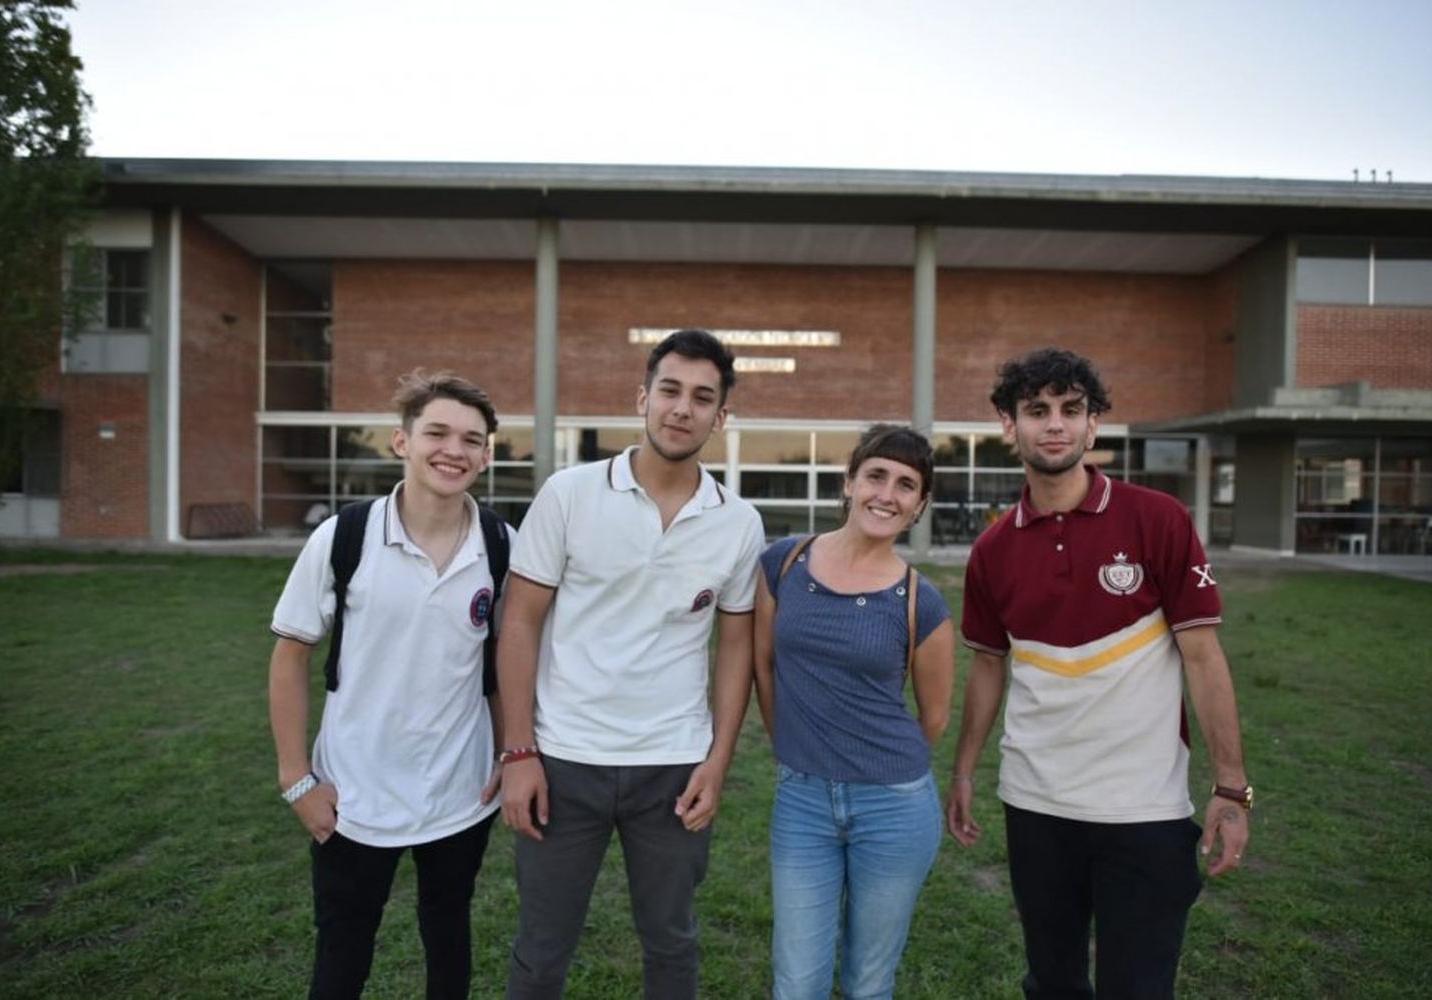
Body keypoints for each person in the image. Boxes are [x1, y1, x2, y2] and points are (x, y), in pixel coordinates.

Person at [945, 347, 1252, 1000]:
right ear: (1010, 425)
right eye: (1036, 411)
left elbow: (1203, 657)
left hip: (1144, 809)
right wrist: (965, 770)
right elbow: (988, 666)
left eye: (1070, 410)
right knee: (1052, 984)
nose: (1053, 425)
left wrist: (1232, 785)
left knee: (1137, 989)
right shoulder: (992, 551)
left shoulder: (1157, 520)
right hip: (1035, 805)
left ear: (1092, 426)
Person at [498, 328, 765, 999]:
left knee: (672, 943)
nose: (683, 408)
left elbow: (734, 647)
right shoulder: (569, 493)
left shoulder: (737, 522)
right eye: (670, 390)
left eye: (703, 398)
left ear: (721, 417)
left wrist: (717, 759)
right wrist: (518, 751)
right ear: (642, 397)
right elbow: (520, 622)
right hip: (564, 759)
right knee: (541, 949)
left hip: (672, 767)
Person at [267, 371, 511, 1000]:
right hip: (352, 794)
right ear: (402, 442)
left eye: (471, 439)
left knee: (449, 941)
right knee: (342, 958)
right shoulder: (344, 537)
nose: (452, 450)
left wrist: (512, 753)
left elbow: (507, 666)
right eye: (437, 432)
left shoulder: (501, 546)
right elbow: (290, 653)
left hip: (460, 790)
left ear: (486, 455)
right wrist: (297, 779)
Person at [754, 424, 955, 1000]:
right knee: (797, 981)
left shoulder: (923, 601)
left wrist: (874, 763)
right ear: (849, 482)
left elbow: (934, 719)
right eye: (876, 475)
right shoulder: (783, 563)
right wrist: (788, 744)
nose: (886, 494)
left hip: (893, 807)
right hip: (803, 801)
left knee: (869, 981)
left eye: (906, 485)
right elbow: (762, 666)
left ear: (918, 506)